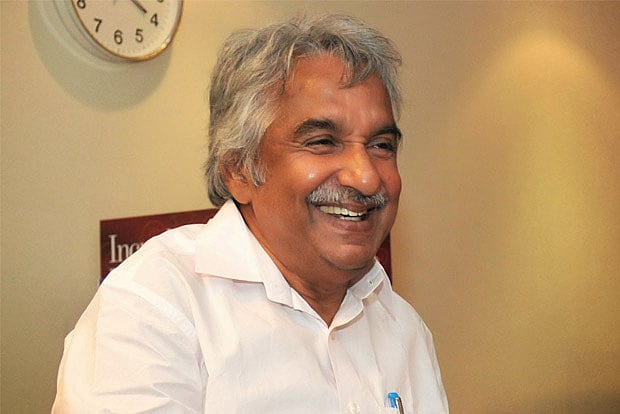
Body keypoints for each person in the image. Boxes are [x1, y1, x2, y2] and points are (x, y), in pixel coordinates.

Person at [52, 14, 449, 414]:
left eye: (381, 145)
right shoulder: (155, 303)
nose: (365, 177)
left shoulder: (403, 328)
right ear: (239, 170)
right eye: (322, 142)